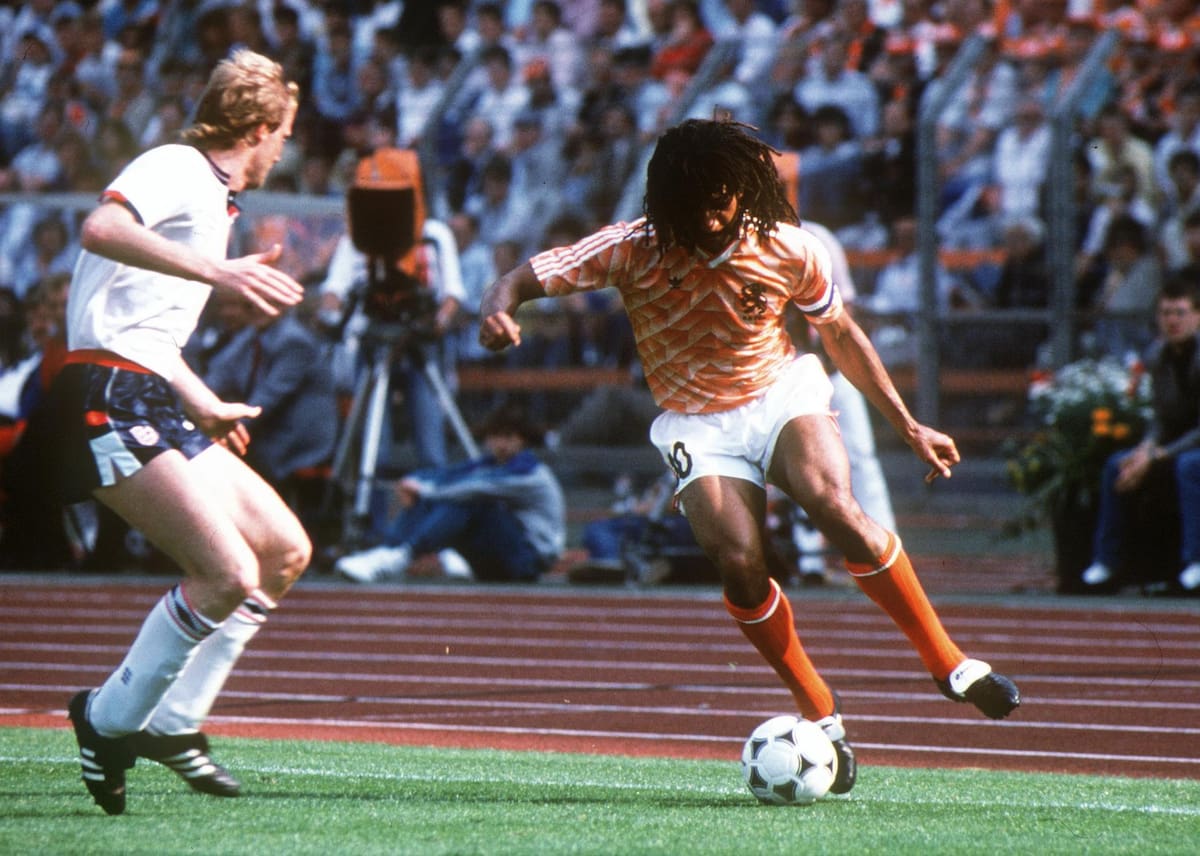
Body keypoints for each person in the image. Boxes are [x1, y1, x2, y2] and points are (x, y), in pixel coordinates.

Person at [478, 118, 1021, 797]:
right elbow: (519, 280)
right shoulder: (631, 247)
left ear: (746, 190)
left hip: (778, 391)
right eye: (695, 205)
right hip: (695, 422)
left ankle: (949, 664)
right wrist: (497, 312)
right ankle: (820, 706)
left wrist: (910, 426)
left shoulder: (790, 247)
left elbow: (841, 335)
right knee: (738, 560)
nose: (710, 217)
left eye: (722, 201)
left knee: (835, 506)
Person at [38, 49, 310, 816]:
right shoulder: (177, 166)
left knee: (284, 551)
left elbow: (145, 329)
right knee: (225, 572)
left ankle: (175, 722)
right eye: (283, 134)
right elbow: (99, 227)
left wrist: (202, 399)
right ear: (257, 128)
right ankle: (107, 720)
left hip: (151, 389)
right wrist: (217, 274)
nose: (284, 149)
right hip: (104, 394)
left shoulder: (213, 201)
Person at [334, 404, 565, 584]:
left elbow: (472, 488)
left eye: (509, 437)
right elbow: (449, 474)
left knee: (467, 500)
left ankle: (401, 556)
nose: (501, 444)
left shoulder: (530, 473)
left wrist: (423, 489)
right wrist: (414, 481)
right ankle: (389, 552)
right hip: (503, 553)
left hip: (528, 560)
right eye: (495, 437)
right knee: (439, 494)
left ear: (522, 441)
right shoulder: (489, 464)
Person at [1081, 275, 1200, 594]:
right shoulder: (1158, 356)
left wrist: (1159, 455)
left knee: (1189, 467)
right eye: (1165, 313)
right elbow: (1161, 417)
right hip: (1176, 443)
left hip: (1191, 448)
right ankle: (1108, 561)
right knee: (1117, 464)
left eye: (1180, 312)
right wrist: (1145, 451)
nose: (1172, 321)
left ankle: (1195, 560)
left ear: (1197, 316)